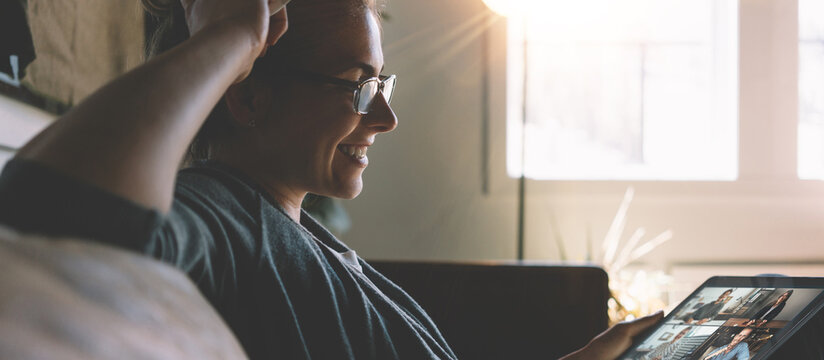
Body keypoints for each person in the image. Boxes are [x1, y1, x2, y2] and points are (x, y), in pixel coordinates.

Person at [0, 0, 663, 358]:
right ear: (249, 96)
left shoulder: (302, 234)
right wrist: (230, 37)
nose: (386, 116)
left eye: (380, 82)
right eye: (356, 86)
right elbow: (57, 215)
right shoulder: (222, 216)